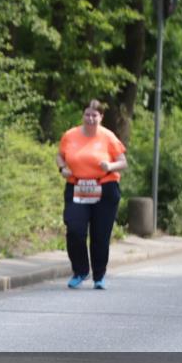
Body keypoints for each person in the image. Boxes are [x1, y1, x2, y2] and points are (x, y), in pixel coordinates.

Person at [55, 100, 127, 290]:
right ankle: (80, 270)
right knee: (75, 229)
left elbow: (123, 161)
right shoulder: (70, 135)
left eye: (95, 115)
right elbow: (60, 155)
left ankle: (99, 276)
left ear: (101, 117)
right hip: (77, 186)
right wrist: (62, 168)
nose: (90, 119)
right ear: (83, 115)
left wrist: (110, 166)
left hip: (104, 186)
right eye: (87, 114)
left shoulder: (108, 137)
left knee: (100, 234)